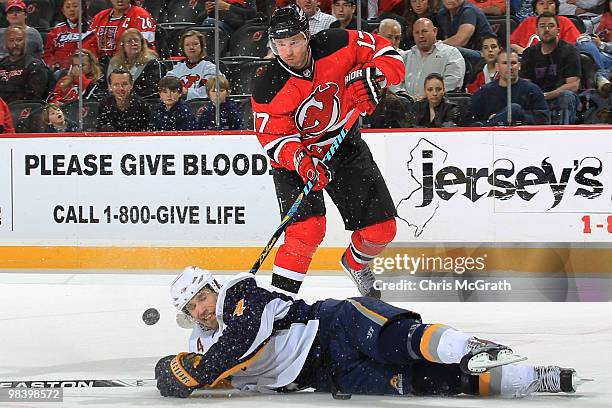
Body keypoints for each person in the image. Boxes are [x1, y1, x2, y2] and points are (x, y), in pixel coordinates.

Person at [154, 266, 589, 398]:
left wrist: (202, 371)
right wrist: (179, 375)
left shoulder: (239, 293)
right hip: (329, 376)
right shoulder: (202, 344)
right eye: (193, 308)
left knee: (400, 339)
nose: (202, 310)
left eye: (201, 299)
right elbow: (219, 374)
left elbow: (244, 340)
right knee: (425, 383)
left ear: (213, 288)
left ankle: (472, 346)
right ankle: (536, 378)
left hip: (335, 326)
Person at [250, 5, 405, 298]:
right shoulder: (267, 86)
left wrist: (376, 77)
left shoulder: (337, 43)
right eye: (280, 44)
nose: (288, 52)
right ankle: (280, 304)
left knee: (382, 230)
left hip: (343, 143)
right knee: (306, 231)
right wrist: (302, 162)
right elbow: (272, 138)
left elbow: (388, 55)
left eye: (294, 41)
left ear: (307, 35)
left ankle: (355, 263)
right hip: (297, 160)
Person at [519, 12, 581, 124]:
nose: (546, 29)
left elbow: (573, 85)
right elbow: (525, 85)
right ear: (537, 31)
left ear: (558, 31)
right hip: (537, 100)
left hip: (560, 98)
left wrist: (547, 95)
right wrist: (539, 97)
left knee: (566, 96)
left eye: (551, 26)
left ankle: (563, 136)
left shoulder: (569, 51)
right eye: (542, 26)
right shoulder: (529, 53)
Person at [470, 50, 550, 125]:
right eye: (505, 63)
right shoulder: (484, 92)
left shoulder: (532, 90)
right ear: (497, 67)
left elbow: (544, 120)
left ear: (519, 66)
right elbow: (469, 120)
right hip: (491, 136)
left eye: (513, 63)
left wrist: (520, 116)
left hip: (524, 136)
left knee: (515, 109)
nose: (510, 67)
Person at [394, 18, 465, 98]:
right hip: (406, 106)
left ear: (434, 31)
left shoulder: (451, 53)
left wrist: (429, 97)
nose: (420, 36)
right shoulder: (405, 56)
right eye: (417, 33)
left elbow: (453, 81)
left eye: (424, 31)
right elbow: (395, 82)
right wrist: (404, 96)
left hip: (438, 104)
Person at [84, 0, 156, 65]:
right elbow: (88, 44)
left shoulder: (141, 15)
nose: (120, 0)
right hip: (101, 65)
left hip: (131, 64)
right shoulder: (100, 16)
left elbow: (143, 47)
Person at [106, 28, 165, 99]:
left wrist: (133, 100)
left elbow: (152, 90)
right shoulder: (115, 62)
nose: (133, 43)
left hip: (143, 102)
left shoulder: (151, 62)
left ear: (142, 43)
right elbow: (110, 86)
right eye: (129, 41)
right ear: (123, 45)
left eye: (136, 40)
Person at [510, 0, 580, 55]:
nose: (545, 7)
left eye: (550, 3)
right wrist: (520, 50)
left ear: (556, 8)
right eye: (541, 3)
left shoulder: (564, 21)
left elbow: (572, 45)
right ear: (535, 9)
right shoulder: (527, 22)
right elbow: (511, 43)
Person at [0, 27, 50, 103]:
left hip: (23, 107)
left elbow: (34, 95)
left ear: (25, 42)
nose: (15, 44)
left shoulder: (35, 65)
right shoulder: (1, 64)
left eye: (19, 40)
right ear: (6, 43)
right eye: (11, 40)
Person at [165, 30, 218, 100]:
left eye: (195, 44)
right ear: (183, 48)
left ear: (202, 46)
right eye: (187, 45)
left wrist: (187, 92)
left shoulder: (210, 67)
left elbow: (210, 92)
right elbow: (167, 85)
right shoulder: (177, 67)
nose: (191, 47)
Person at [43, 0, 94, 73]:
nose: (71, 9)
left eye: (75, 6)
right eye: (67, 7)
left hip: (83, 70)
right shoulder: (57, 29)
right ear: (63, 11)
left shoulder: (92, 28)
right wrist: (53, 64)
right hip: (59, 71)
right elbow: (47, 53)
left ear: (82, 9)